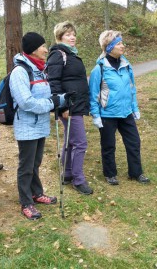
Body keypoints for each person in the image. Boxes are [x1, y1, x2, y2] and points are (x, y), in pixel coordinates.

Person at [9, 32, 69, 220]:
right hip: (27, 126)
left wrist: (61, 99)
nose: (46, 49)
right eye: (43, 46)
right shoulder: (20, 72)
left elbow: (44, 95)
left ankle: (37, 192)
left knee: (35, 163)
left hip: (40, 124)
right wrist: (52, 103)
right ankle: (26, 202)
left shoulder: (39, 69)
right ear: (34, 50)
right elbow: (26, 102)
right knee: (26, 166)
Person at [89, 30, 150, 185]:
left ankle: (136, 173)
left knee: (134, 142)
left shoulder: (126, 65)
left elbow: (131, 88)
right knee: (109, 145)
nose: (123, 46)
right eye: (119, 43)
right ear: (109, 47)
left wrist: (134, 107)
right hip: (108, 114)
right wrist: (96, 115)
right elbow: (94, 94)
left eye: (122, 43)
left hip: (126, 112)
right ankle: (110, 174)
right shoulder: (99, 69)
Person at [46, 21, 93, 195]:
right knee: (80, 142)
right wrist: (63, 107)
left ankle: (67, 174)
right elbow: (54, 84)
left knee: (70, 141)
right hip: (69, 106)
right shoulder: (58, 55)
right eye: (68, 34)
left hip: (76, 104)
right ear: (59, 37)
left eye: (73, 34)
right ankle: (78, 179)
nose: (72, 37)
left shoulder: (71, 54)